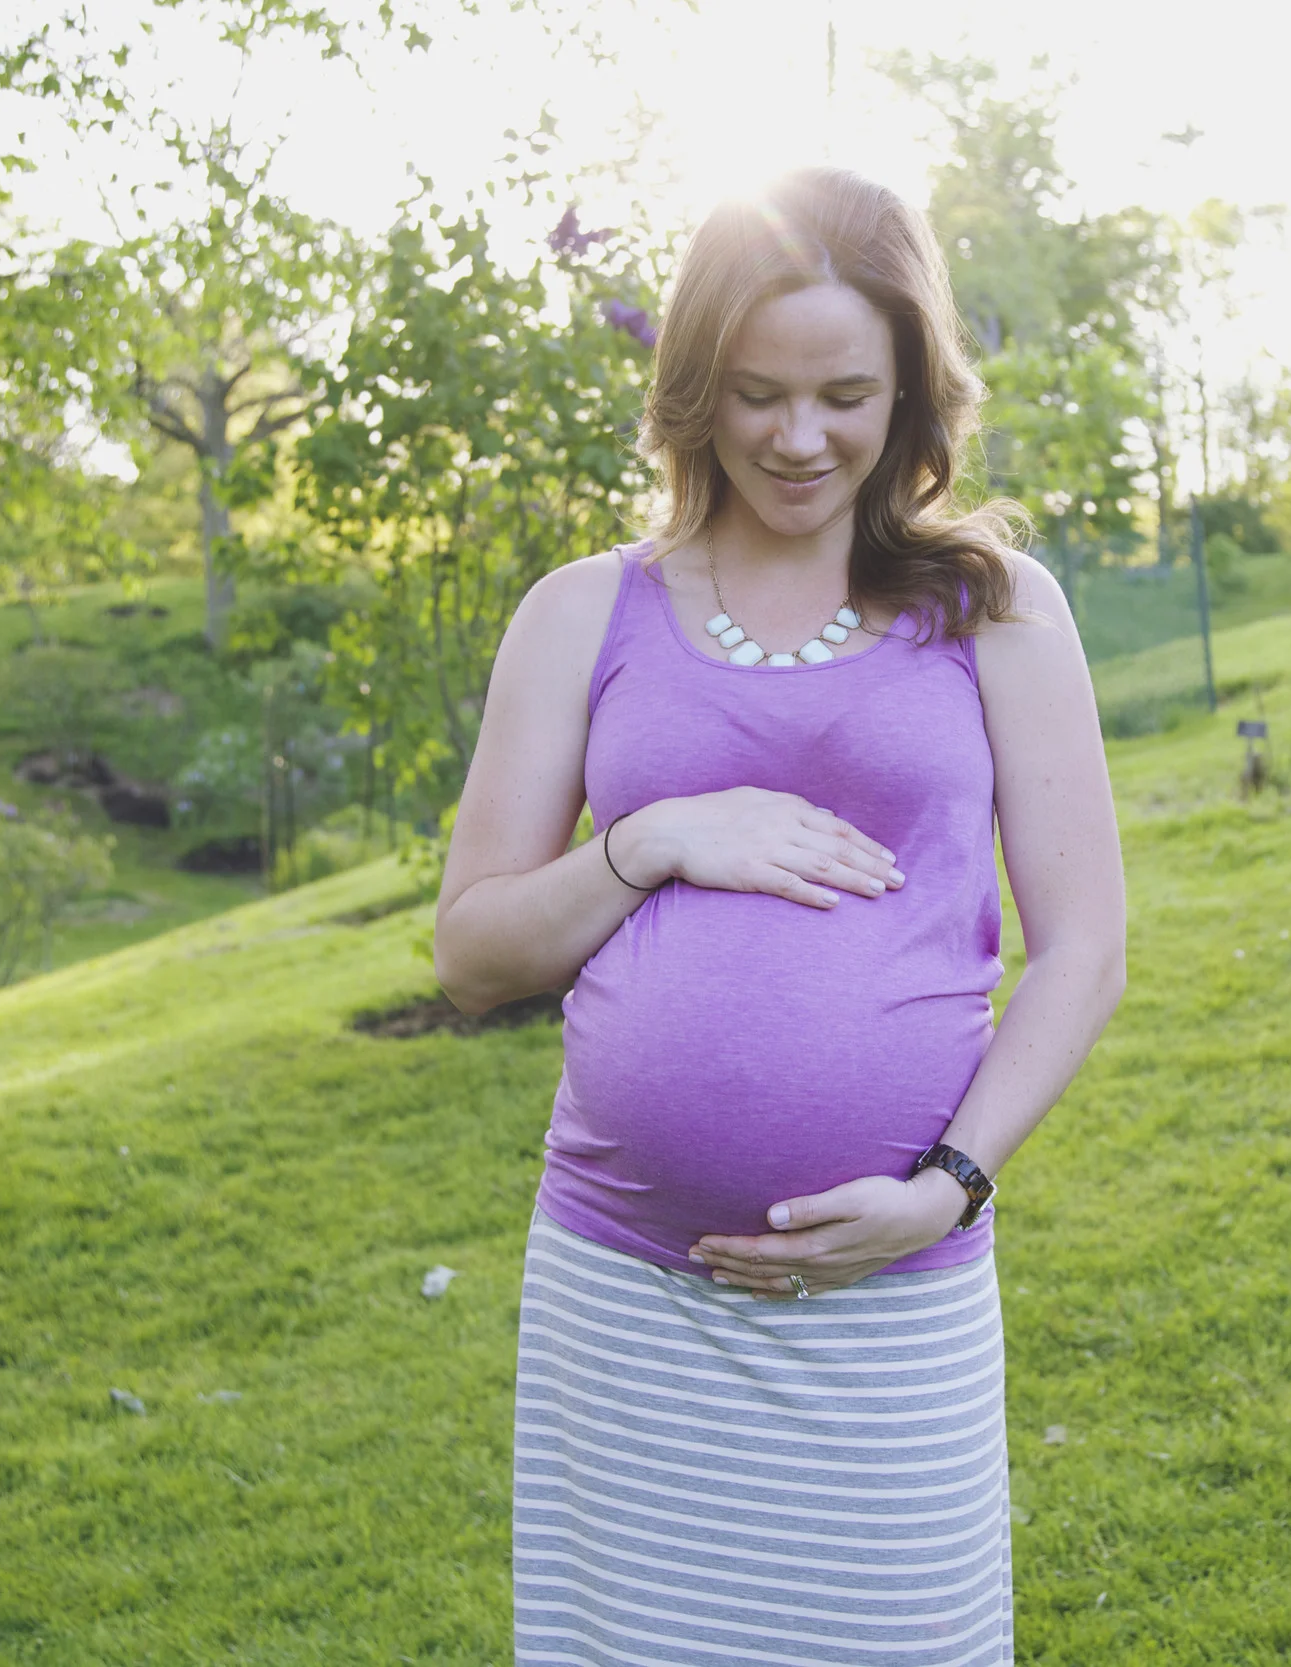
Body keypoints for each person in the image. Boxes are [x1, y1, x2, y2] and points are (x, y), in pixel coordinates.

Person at [432, 166, 1128, 1666]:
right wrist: (652, 842)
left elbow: (1084, 950)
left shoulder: (996, 609)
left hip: (895, 1295)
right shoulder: (584, 612)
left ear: (911, 395)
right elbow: (472, 954)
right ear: (695, 388)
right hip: (630, 1298)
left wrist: (948, 1187)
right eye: (756, 394)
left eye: (844, 395)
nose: (799, 437)